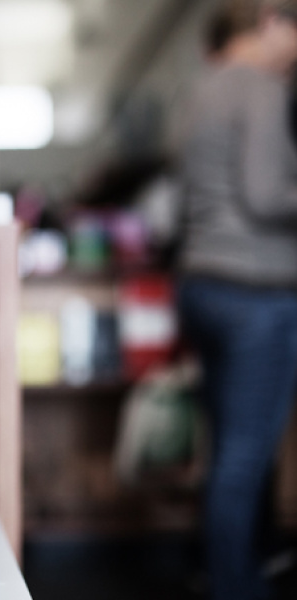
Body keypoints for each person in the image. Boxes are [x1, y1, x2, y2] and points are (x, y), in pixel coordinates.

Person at [176, 1, 297, 598]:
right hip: (255, 290)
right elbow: (266, 194)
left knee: (228, 449)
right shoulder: (263, 88)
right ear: (272, 22)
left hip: (202, 283)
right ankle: (237, 588)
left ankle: (223, 573)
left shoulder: (204, 88)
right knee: (246, 457)